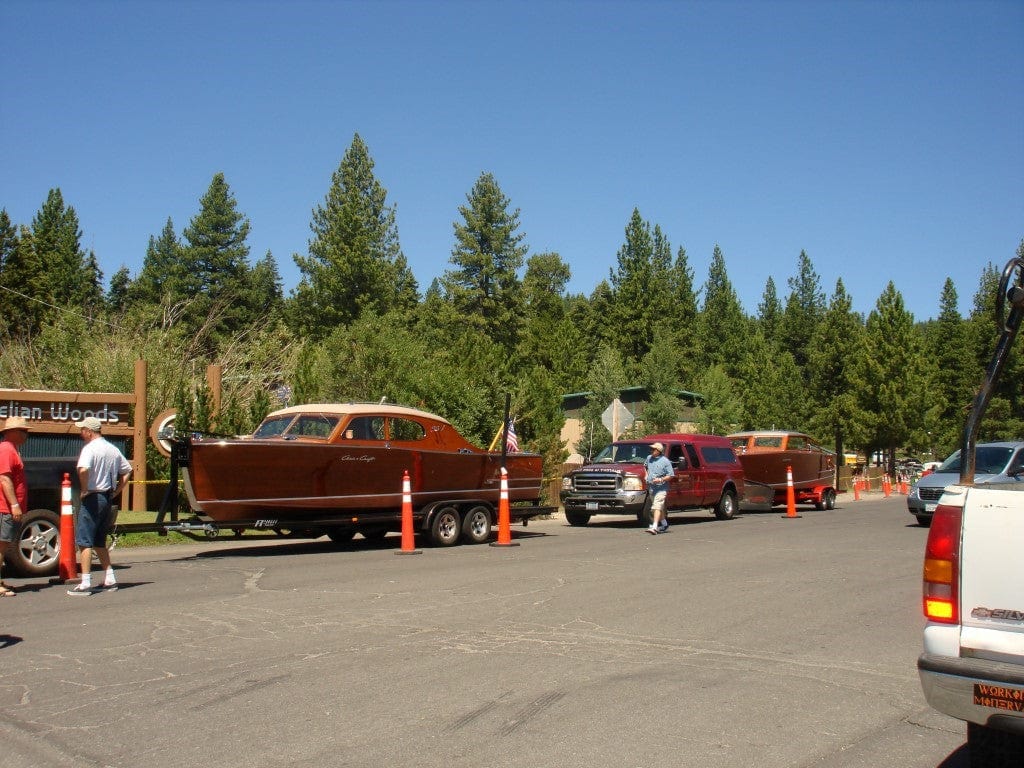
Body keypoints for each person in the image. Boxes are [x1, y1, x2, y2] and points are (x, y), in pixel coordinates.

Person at [68, 416, 132, 596]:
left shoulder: (90, 449)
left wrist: (84, 489)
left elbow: (83, 469)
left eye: (82, 429)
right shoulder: (112, 449)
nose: (81, 433)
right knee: (99, 541)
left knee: (84, 541)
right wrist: (117, 490)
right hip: (107, 497)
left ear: (89, 431)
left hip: (93, 497)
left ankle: (85, 583)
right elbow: (127, 470)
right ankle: (110, 578)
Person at [0, 416, 31, 596]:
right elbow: (4, 478)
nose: (25, 435)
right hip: (5, 507)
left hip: (7, 507)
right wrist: (14, 504)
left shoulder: (12, 449)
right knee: (1, 545)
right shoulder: (6, 450)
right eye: (23, 431)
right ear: (11, 432)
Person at [644, 441, 674, 535]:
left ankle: (655, 527)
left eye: (653, 449)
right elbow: (645, 466)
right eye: (651, 449)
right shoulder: (649, 458)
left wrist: (661, 480)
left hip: (661, 489)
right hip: (652, 488)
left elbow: (671, 475)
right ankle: (664, 524)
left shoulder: (665, 461)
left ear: (659, 451)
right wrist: (646, 475)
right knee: (658, 507)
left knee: (656, 507)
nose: (651, 450)